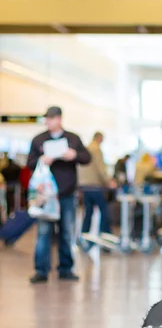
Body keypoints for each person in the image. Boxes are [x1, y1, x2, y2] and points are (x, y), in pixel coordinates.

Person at [27, 106, 91, 284]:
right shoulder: (38, 140)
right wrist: (41, 160)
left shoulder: (72, 138)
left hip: (67, 193)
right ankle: (41, 270)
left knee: (66, 232)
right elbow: (29, 162)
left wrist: (74, 155)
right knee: (44, 232)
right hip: (46, 196)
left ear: (60, 119)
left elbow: (87, 157)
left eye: (52, 118)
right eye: (47, 118)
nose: (48, 121)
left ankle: (66, 268)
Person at [78, 132, 114, 248]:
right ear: (99, 138)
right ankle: (105, 237)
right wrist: (108, 181)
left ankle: (84, 237)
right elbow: (100, 168)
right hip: (95, 186)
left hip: (84, 186)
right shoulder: (96, 149)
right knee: (104, 210)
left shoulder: (85, 148)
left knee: (88, 212)